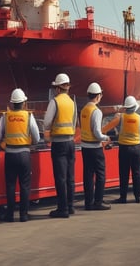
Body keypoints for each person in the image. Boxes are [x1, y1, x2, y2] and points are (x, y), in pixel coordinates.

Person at [0, 88, 40, 222]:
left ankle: (10, 215)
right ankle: (24, 215)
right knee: (25, 185)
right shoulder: (29, 117)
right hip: (25, 155)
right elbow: (36, 137)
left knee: (10, 185)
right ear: (24, 103)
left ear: (12, 104)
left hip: (10, 155)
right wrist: (29, 142)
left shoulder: (5, 116)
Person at [43, 73, 77, 218]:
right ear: (67, 88)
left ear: (57, 89)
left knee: (60, 177)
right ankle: (70, 206)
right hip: (71, 142)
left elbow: (46, 122)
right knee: (70, 177)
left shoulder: (54, 102)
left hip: (59, 143)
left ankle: (62, 209)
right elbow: (75, 122)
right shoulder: (72, 102)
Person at [103, 96, 140, 204]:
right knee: (137, 173)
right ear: (135, 106)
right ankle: (138, 196)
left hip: (124, 148)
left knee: (124, 173)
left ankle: (123, 197)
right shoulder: (139, 118)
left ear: (125, 107)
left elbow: (110, 126)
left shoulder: (120, 117)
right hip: (136, 148)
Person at [80, 82, 111, 211]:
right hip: (95, 148)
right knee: (100, 175)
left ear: (88, 95)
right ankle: (98, 201)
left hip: (85, 147)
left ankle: (88, 202)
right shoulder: (96, 111)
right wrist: (106, 138)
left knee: (88, 175)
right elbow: (97, 133)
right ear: (98, 96)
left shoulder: (84, 110)